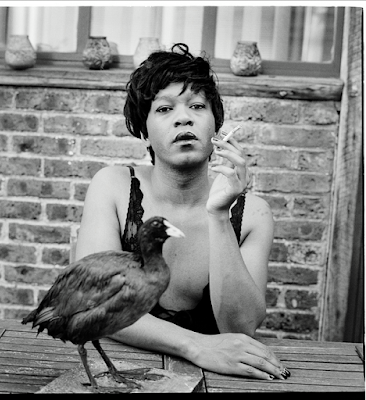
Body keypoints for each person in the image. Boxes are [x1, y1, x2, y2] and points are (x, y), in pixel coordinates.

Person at [75, 43, 290, 380]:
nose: (183, 117)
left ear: (215, 128)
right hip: (119, 370)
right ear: (144, 133)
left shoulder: (253, 215)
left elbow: (241, 327)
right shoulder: (113, 188)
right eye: (164, 108)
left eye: (197, 106)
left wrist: (219, 215)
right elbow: (94, 303)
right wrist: (196, 346)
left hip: (220, 381)